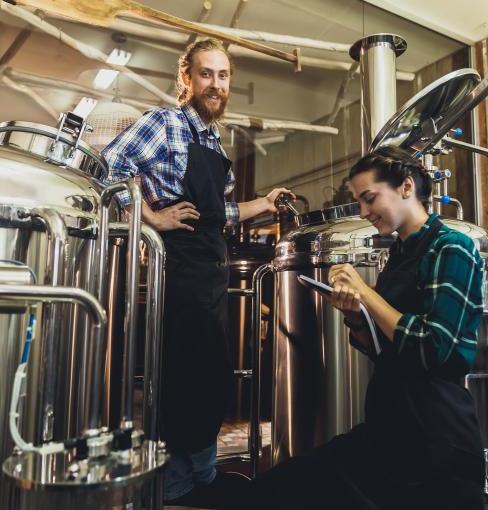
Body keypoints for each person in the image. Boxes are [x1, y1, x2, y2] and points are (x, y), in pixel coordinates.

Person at [228, 146, 485, 510]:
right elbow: (379, 346)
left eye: (369, 199)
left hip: (436, 442)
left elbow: (432, 347)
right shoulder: (398, 253)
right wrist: (353, 314)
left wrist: (366, 293)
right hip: (388, 429)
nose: (364, 213)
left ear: (406, 186)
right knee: (276, 488)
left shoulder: (452, 248)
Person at [102, 38, 293, 508]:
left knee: (209, 373)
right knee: (186, 373)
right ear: (185, 78)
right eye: (206, 74)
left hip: (210, 262)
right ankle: (178, 483)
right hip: (180, 262)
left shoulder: (211, 138)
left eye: (223, 76)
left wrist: (263, 204)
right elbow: (108, 167)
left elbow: (219, 212)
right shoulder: (164, 122)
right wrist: (151, 217)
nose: (216, 84)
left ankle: (196, 477)